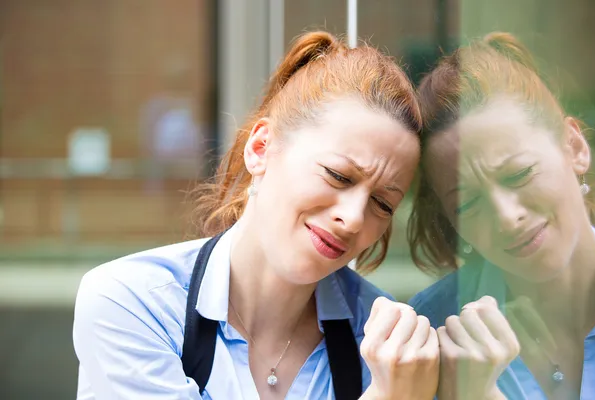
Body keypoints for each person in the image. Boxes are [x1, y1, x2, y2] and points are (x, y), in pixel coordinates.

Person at [73, 31, 440, 400]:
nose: (355, 218)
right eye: (338, 176)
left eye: (382, 204)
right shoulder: (134, 304)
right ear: (261, 148)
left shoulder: (383, 342)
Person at [407, 31, 595, 400]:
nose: (508, 217)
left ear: (574, 148)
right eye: (467, 203)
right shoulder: (429, 332)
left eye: (519, 174)